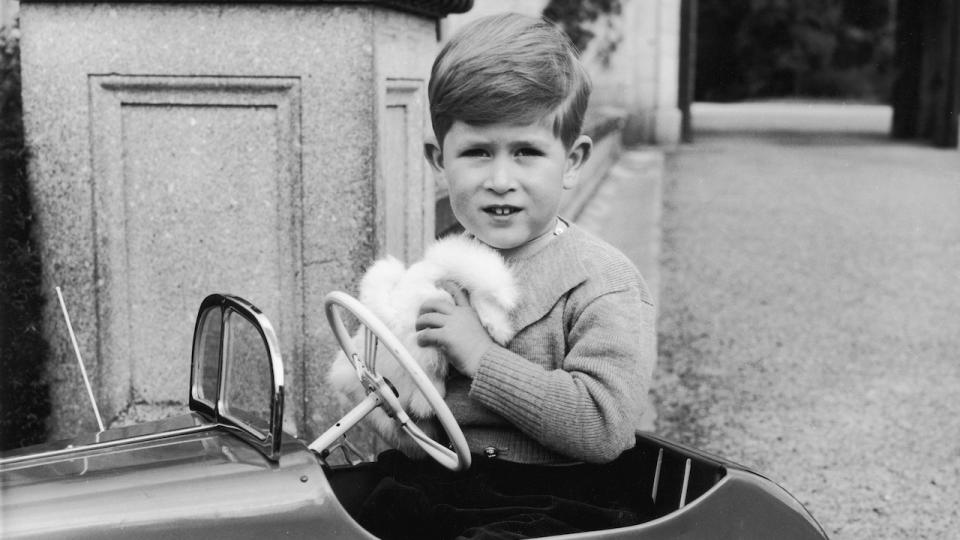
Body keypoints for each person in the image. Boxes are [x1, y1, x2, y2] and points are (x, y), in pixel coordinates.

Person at [358, 12, 656, 539]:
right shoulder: (446, 267)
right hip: (451, 483)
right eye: (476, 153)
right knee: (349, 504)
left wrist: (481, 358)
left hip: (557, 501)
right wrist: (391, 398)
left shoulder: (602, 280)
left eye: (526, 153)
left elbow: (604, 426)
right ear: (438, 161)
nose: (500, 180)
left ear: (572, 160)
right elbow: (423, 410)